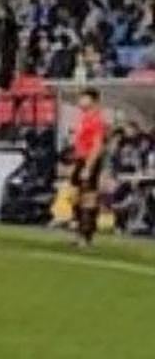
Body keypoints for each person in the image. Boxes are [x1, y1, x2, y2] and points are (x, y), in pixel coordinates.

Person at [69, 87, 109, 247]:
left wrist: (88, 166)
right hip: (80, 159)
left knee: (88, 199)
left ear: (93, 101)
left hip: (89, 161)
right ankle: (80, 232)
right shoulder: (84, 118)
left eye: (83, 98)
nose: (80, 102)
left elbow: (97, 146)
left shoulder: (97, 120)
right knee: (75, 197)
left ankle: (86, 235)